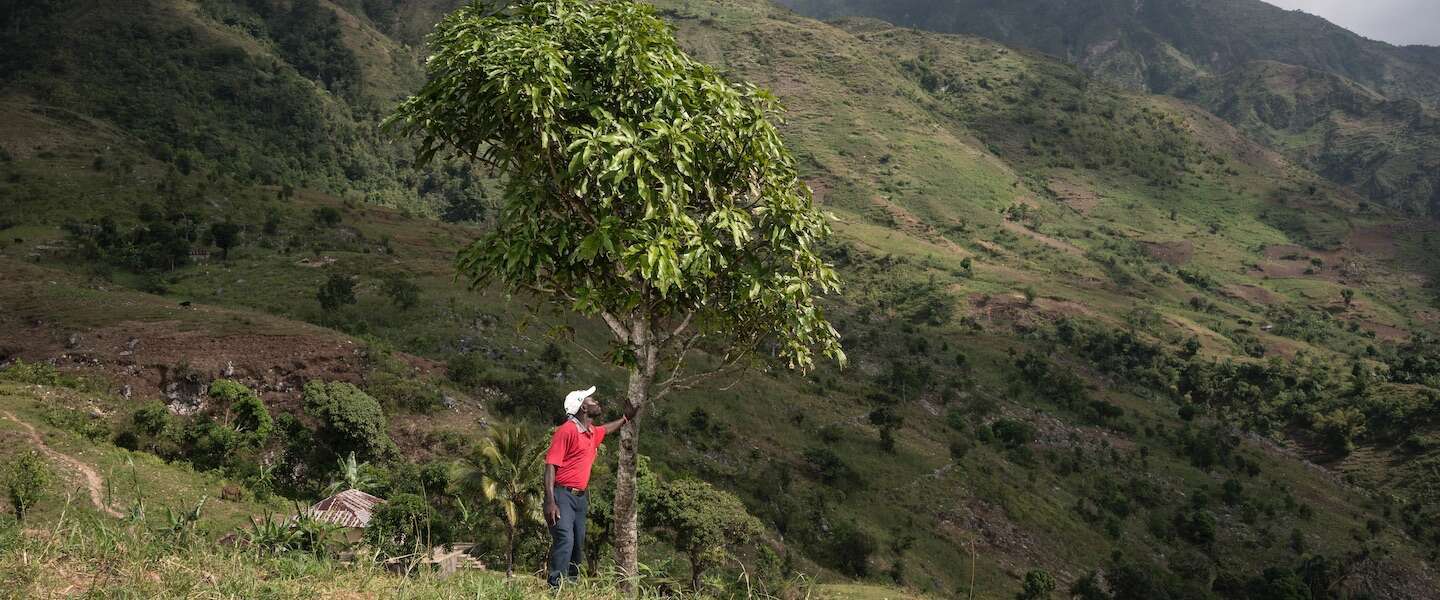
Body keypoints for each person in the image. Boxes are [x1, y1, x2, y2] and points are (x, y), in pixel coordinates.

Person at [544, 385, 632, 587]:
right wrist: (550, 502)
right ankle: (554, 587)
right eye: (590, 400)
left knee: (577, 544)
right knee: (565, 539)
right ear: (583, 408)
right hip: (562, 495)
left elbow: (606, 429)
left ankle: (572, 586)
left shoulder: (590, 432)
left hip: (580, 498)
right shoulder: (566, 431)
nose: (596, 402)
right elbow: (550, 466)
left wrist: (626, 418)